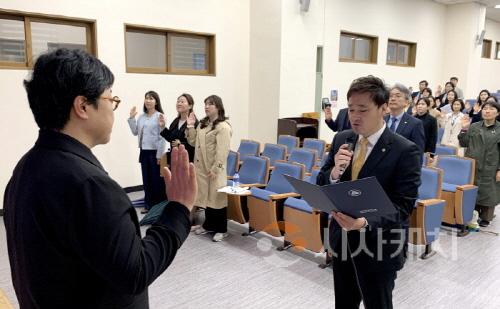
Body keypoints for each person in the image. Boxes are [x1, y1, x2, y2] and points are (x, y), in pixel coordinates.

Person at [3, 48, 197, 309]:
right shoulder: (89, 186)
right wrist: (178, 210)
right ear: (83, 106)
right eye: (110, 99)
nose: (113, 108)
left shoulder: (27, 167)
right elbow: (136, 272)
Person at [317, 75, 421, 309]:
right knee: (344, 303)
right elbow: (322, 180)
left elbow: (403, 206)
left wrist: (363, 222)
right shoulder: (342, 139)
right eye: (351, 109)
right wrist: (334, 172)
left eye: (363, 109)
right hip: (342, 239)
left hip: (379, 246)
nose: (355, 116)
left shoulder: (405, 150)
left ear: (383, 108)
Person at [187, 95, 232, 242]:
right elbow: (193, 142)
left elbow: (222, 151)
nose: (206, 107)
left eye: (210, 104)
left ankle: (222, 230)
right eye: (205, 104)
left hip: (214, 170)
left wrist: (216, 168)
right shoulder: (203, 124)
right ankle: (208, 225)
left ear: (218, 107)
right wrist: (190, 126)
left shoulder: (223, 127)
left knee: (217, 200)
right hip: (201, 169)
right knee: (207, 200)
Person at [458, 101, 500, 227]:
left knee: (489, 191)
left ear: (497, 113)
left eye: (491, 109)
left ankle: (486, 217)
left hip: (491, 165)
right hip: (473, 165)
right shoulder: (474, 126)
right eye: (485, 108)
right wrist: (464, 128)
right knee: (473, 189)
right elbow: (463, 143)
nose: (487, 111)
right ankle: (472, 214)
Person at [128, 91, 167, 213]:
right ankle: (148, 205)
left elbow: (162, 137)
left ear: (156, 101)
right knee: (146, 180)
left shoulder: (160, 116)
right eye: (146, 98)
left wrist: (159, 155)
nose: (148, 101)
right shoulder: (141, 117)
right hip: (144, 152)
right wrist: (131, 118)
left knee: (156, 181)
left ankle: (158, 206)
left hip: (155, 152)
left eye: (151, 98)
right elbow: (135, 132)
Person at [385, 83, 426, 152]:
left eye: (398, 96)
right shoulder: (381, 120)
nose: (393, 99)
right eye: (390, 96)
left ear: (406, 102)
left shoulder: (415, 124)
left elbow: (418, 151)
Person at [159, 93, 199, 164]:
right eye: (178, 102)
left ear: (190, 106)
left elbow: (196, 143)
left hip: (187, 161)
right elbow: (170, 138)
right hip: (174, 160)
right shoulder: (176, 121)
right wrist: (162, 127)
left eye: (182, 102)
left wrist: (181, 144)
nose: (179, 103)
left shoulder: (194, 123)